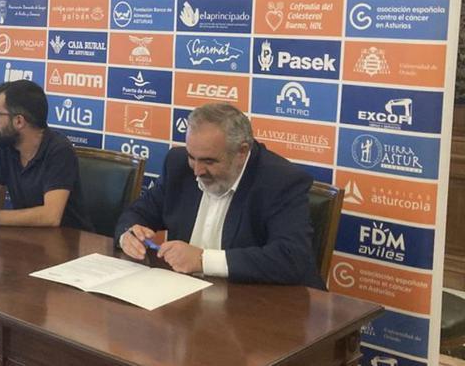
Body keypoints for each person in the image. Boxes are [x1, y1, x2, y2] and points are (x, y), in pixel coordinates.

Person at [115, 103, 324, 288]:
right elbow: (138, 212)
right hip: (189, 297)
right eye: (192, 157)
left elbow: (291, 257)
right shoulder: (178, 164)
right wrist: (128, 235)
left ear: (242, 152)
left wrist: (203, 260)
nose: (197, 170)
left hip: (263, 306)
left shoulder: (280, 181)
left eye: (209, 161)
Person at [0, 80, 93, 230]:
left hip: (68, 242)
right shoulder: (9, 147)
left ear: (19, 121)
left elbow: (51, 216)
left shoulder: (59, 150)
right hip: (27, 237)